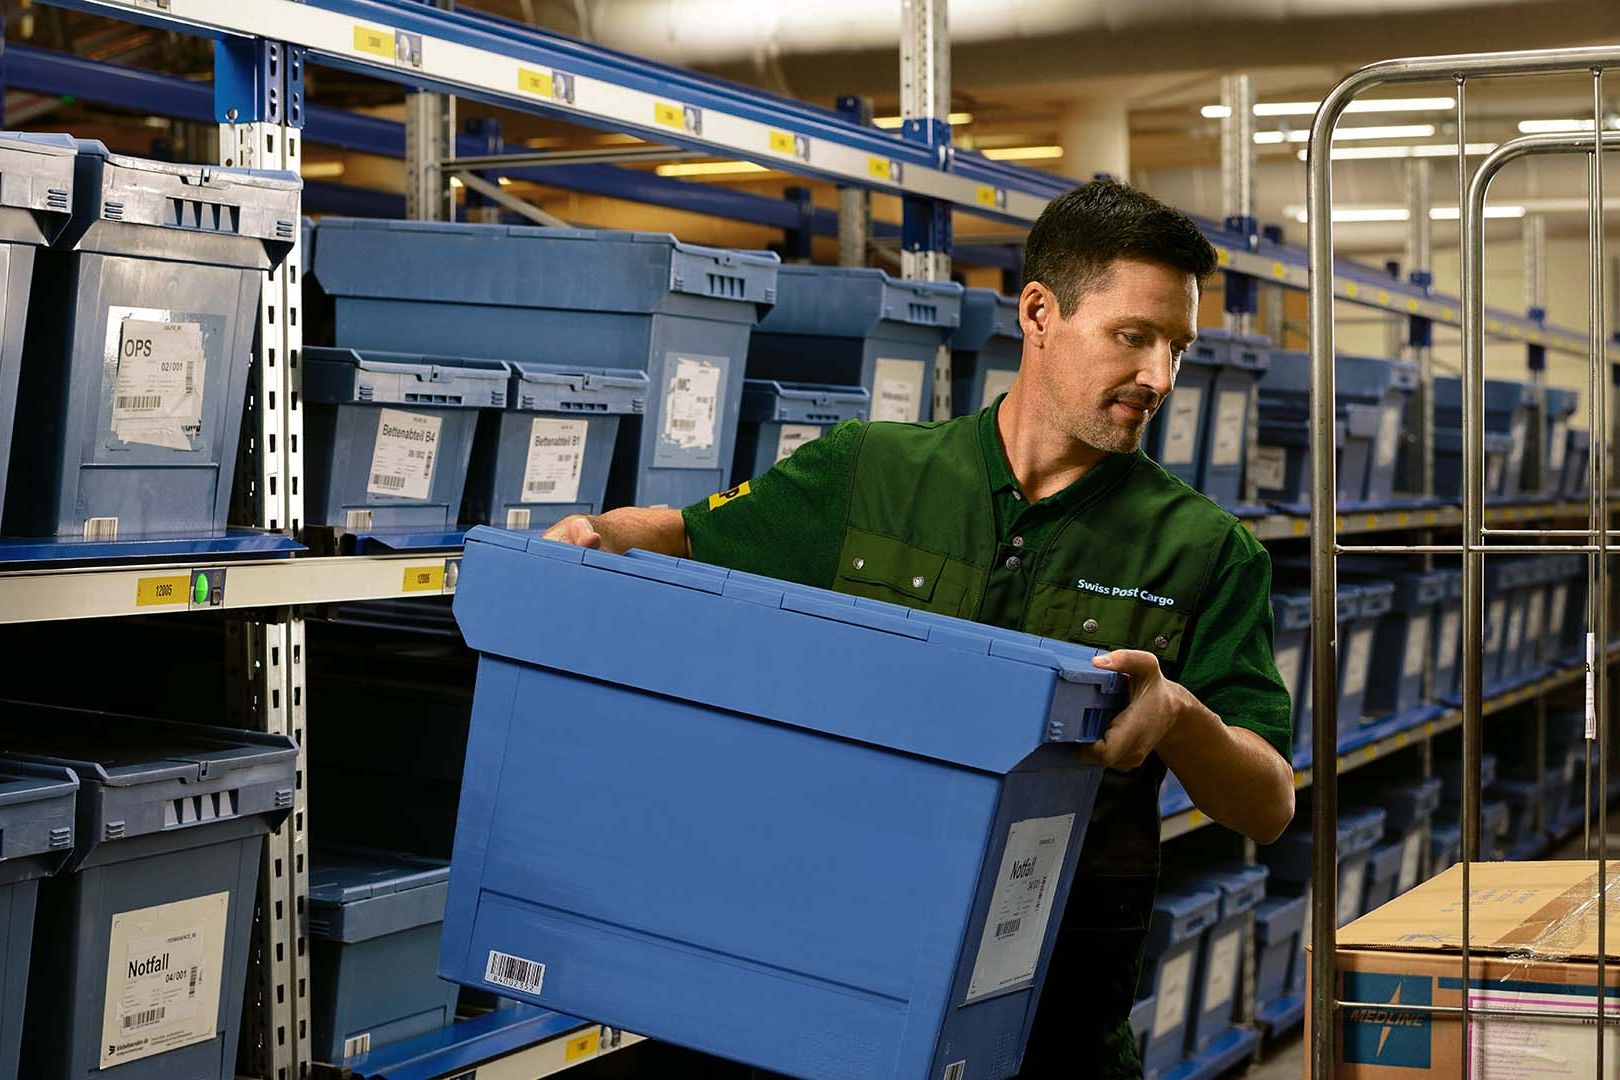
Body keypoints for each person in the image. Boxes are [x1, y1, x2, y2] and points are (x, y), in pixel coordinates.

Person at [543, 179, 1295, 1078]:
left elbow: (1268, 803)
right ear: (1040, 313)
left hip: (1048, 1019)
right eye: (1133, 336)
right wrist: (598, 532)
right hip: (830, 976)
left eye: (1178, 347)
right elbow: (689, 535)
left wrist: (1178, 715)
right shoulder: (867, 473)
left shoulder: (1209, 551)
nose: (1160, 377)